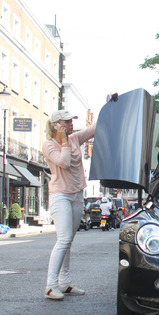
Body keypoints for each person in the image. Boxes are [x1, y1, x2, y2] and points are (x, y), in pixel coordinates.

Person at [42, 109, 96, 300]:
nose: (71, 125)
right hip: (60, 196)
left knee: (69, 241)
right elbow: (64, 162)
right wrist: (64, 141)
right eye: (67, 122)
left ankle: (64, 283)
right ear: (56, 125)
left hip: (76, 194)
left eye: (72, 121)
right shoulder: (49, 145)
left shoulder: (74, 138)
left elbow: (93, 129)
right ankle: (50, 285)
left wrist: (109, 106)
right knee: (63, 239)